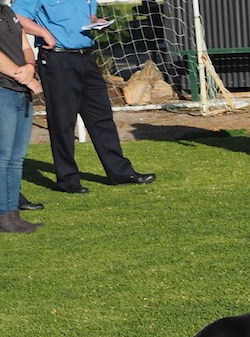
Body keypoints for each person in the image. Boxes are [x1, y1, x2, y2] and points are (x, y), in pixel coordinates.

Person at [14, 0, 155, 194]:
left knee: (102, 117)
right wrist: (44, 33)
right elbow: (17, 17)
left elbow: (88, 17)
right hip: (58, 58)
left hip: (86, 57)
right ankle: (68, 180)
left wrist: (97, 22)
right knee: (63, 121)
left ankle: (120, 173)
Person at [0, 0, 42, 233]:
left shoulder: (7, 10)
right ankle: (3, 214)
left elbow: (24, 43)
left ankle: (12, 213)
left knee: (16, 158)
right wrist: (24, 76)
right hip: (3, 90)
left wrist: (29, 64)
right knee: (3, 157)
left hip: (19, 90)